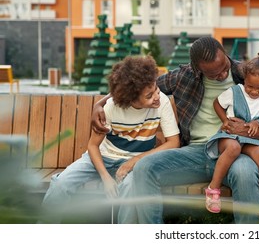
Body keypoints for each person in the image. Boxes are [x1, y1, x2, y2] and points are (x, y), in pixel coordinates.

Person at [91, 36, 259, 224]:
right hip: (194, 153)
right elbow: (140, 86)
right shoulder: (183, 76)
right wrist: (100, 104)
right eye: (214, 74)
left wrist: (247, 132)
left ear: (225, 54)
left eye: (223, 67)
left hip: (234, 152)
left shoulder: (247, 74)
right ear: (197, 68)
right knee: (144, 167)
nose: (222, 75)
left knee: (245, 172)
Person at [41, 56, 180, 223]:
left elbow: (174, 142)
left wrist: (134, 160)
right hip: (103, 158)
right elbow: (93, 146)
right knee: (60, 184)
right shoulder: (111, 108)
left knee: (130, 188)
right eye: (149, 96)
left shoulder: (162, 103)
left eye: (156, 90)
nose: (156, 96)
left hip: (134, 164)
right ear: (131, 99)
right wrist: (106, 178)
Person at [204, 52, 259, 221]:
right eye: (250, 86)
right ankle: (213, 189)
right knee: (233, 148)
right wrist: (224, 121)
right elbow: (217, 103)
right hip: (229, 136)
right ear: (244, 79)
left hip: (250, 138)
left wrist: (258, 123)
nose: (254, 92)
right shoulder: (234, 91)